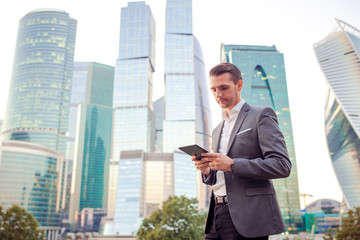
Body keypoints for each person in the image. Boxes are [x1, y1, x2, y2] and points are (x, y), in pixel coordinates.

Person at [192, 62, 291, 240]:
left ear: (239, 85)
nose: (218, 95)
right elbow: (221, 175)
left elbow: (282, 165)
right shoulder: (217, 129)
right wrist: (207, 170)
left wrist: (233, 164)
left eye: (223, 88)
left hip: (249, 217)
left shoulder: (261, 116)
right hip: (216, 213)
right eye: (213, 89)